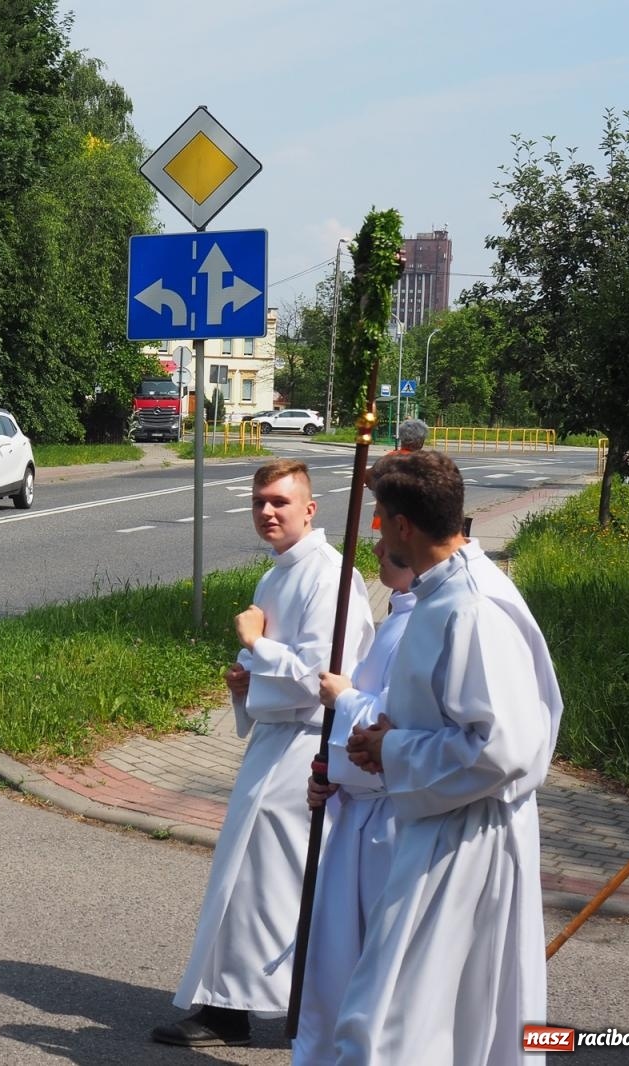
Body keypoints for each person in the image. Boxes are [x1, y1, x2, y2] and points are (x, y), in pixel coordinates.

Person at [334, 449, 561, 1065]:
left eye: (380, 518)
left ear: (403, 525)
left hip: (468, 840)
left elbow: (501, 747)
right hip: (441, 824)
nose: (377, 530)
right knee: (435, 1017)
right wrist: (389, 735)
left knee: (392, 1022)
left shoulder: (474, 607)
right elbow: (453, 717)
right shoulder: (442, 594)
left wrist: (395, 747)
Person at [153, 458, 375, 1048]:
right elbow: (278, 666)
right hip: (274, 745)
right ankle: (237, 1003)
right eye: (259, 502)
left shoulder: (330, 575)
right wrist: (245, 682)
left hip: (306, 748)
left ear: (309, 508)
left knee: (273, 886)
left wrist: (257, 648)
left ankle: (271, 1008)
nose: (267, 512)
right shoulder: (276, 574)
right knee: (248, 881)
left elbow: (326, 675)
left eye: (279, 501)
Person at [287, 536, 416, 1066]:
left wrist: (344, 699)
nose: (377, 549)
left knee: (376, 972)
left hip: (393, 825)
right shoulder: (401, 613)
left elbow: (396, 722)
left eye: (388, 543)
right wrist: (332, 778)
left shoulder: (428, 622)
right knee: (333, 964)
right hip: (359, 814)